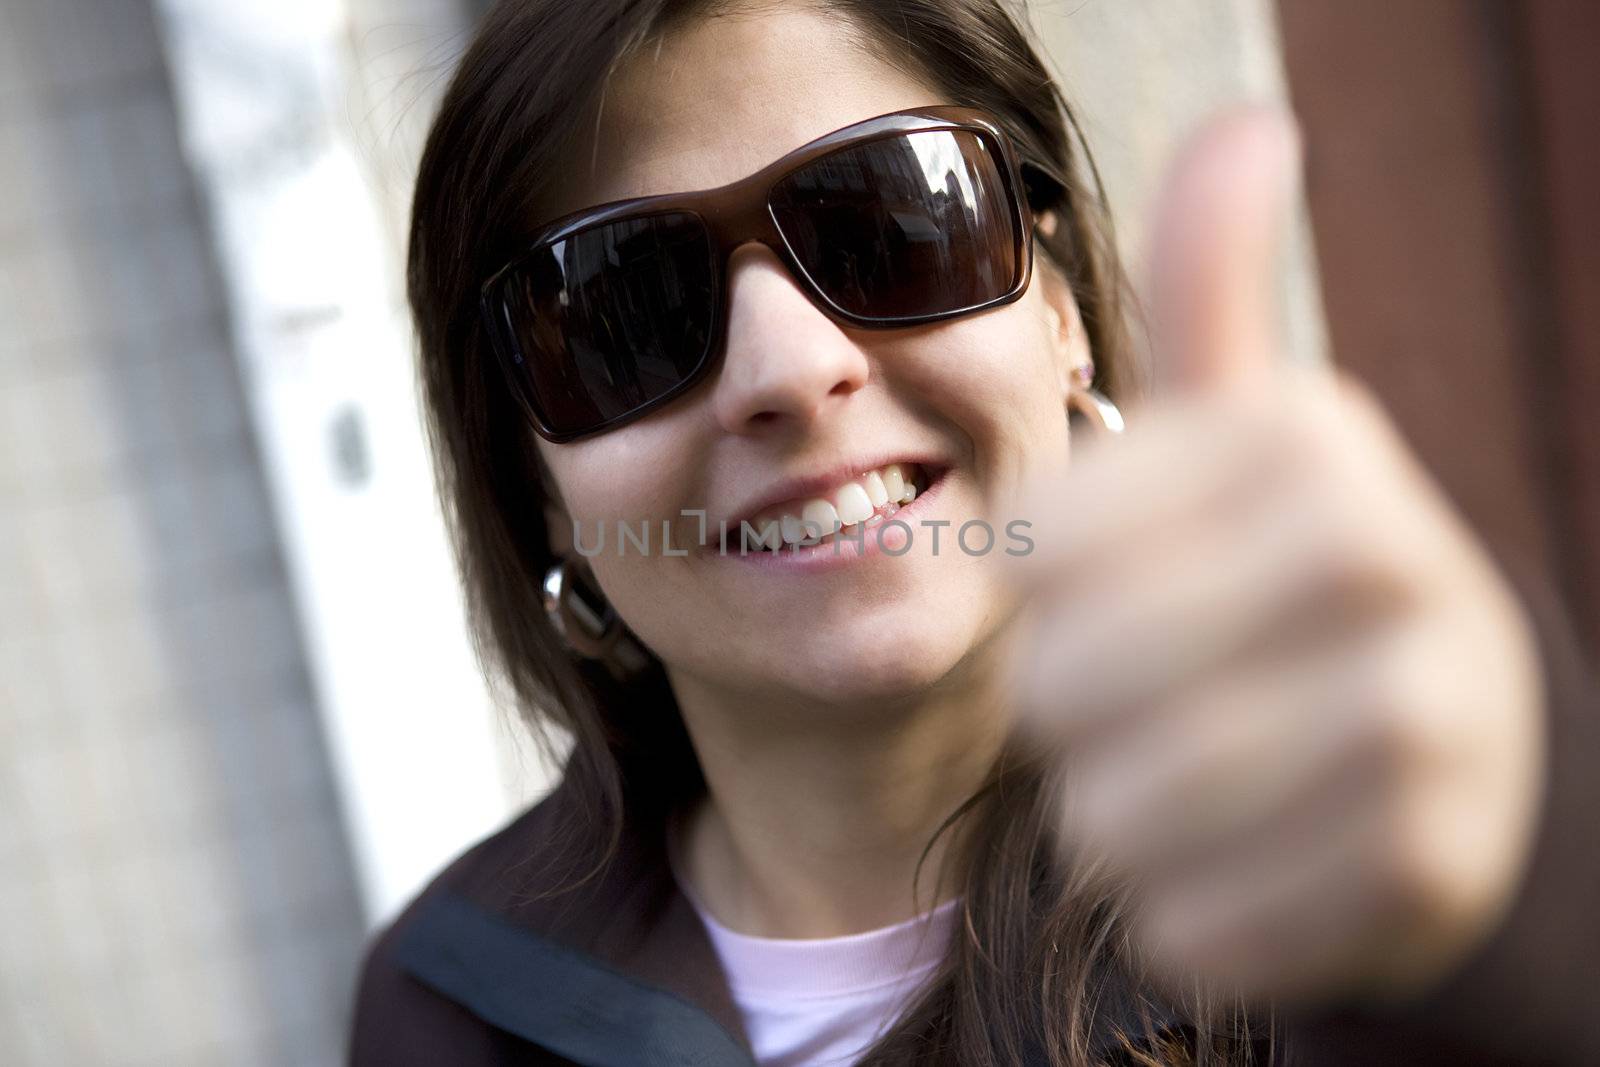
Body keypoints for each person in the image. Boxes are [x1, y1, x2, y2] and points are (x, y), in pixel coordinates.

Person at [349, 1, 1597, 1064]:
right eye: (624, 305)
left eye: (887, 222)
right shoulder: (444, 1007)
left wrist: (1516, 879)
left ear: (1060, 312)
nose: (789, 367)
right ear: (535, 481)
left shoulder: (1328, 879)